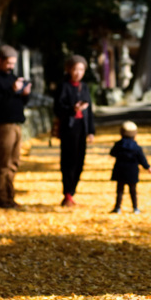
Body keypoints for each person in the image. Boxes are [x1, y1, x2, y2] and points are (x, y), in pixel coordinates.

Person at [0, 45, 31, 209]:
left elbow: (19, 102)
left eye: (13, 63)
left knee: (14, 162)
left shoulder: (13, 78)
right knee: (3, 162)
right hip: (2, 125)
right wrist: (12, 90)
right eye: (9, 63)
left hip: (17, 124)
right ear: (0, 60)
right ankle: (1, 198)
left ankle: (10, 196)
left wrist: (25, 94)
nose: (11, 67)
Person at [54, 54, 95, 207]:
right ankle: (67, 193)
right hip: (68, 128)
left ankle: (72, 191)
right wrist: (73, 109)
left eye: (82, 69)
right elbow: (58, 108)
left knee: (79, 161)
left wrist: (91, 131)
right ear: (69, 70)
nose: (78, 72)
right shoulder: (63, 86)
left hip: (82, 128)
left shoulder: (84, 87)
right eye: (75, 69)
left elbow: (89, 111)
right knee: (68, 161)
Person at [109, 121, 151, 213]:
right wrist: (148, 167)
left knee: (119, 191)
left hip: (120, 170)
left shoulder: (118, 145)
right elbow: (142, 159)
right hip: (132, 171)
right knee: (133, 191)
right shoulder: (136, 147)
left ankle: (117, 207)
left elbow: (112, 153)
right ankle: (135, 208)